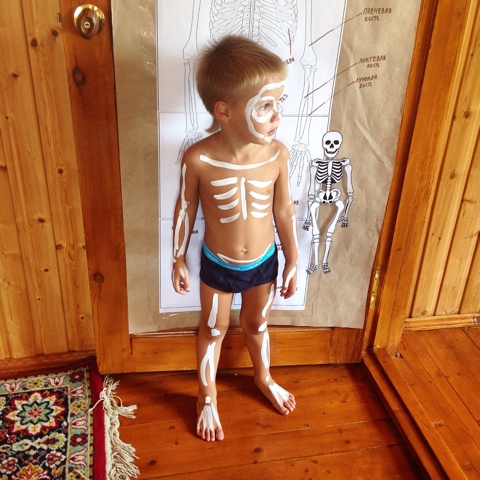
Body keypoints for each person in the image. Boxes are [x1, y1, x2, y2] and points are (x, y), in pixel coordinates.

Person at [172, 35, 298, 442]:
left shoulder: (278, 154)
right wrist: (177, 257)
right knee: (213, 328)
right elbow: (185, 209)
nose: (276, 115)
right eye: (265, 106)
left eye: (278, 103)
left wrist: (292, 259)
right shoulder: (198, 159)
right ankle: (206, 395)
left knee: (257, 323)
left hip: (264, 262)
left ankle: (264, 377)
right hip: (218, 265)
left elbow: (284, 211)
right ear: (223, 111)